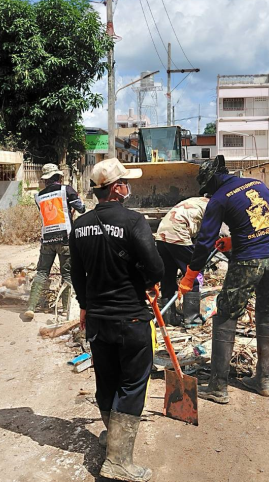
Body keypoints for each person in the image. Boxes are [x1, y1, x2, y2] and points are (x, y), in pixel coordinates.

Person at [69, 158, 163, 482]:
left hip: (97, 320)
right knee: (132, 384)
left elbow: (76, 273)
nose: (128, 187)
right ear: (117, 188)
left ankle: (113, 438)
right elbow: (156, 268)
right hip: (131, 319)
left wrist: (84, 305)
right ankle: (119, 461)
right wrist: (147, 279)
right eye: (125, 182)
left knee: (106, 380)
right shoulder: (134, 221)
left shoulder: (79, 226)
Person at [179, 155, 269, 404]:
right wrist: (233, 241)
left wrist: (190, 276)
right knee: (268, 314)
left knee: (226, 315)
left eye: (208, 188)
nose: (208, 194)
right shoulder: (258, 184)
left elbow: (204, 242)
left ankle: (218, 387)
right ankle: (264, 381)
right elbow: (262, 224)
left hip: (247, 263)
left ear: (213, 180)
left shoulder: (219, 199)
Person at [21, 163, 86, 322]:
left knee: (42, 272)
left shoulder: (38, 196)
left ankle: (31, 307)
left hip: (47, 239)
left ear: (45, 180)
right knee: (67, 274)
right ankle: (66, 309)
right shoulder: (66, 190)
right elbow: (81, 208)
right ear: (58, 177)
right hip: (65, 239)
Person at [155, 196, 210, 327]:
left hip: (161, 235)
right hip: (178, 234)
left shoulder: (196, 201)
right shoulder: (214, 206)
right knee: (193, 274)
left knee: (168, 276)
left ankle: (168, 317)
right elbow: (208, 234)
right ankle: (192, 319)